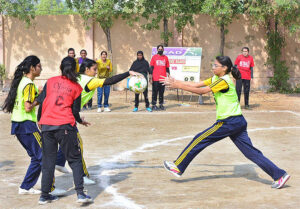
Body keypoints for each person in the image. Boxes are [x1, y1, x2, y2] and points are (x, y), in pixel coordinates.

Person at [160, 56, 290, 189]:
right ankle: (280, 175)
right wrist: (175, 81)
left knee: (199, 138)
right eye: (213, 64)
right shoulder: (216, 78)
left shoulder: (224, 80)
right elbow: (197, 84)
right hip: (237, 121)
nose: (213, 67)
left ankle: (178, 166)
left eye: (216, 65)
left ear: (224, 68)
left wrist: (178, 86)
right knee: (251, 153)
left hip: (229, 121)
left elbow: (202, 91)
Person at [2, 56, 66, 196]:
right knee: (45, 156)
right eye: (39, 66)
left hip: (19, 125)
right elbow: (28, 107)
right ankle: (50, 188)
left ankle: (25, 187)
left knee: (37, 158)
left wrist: (39, 93)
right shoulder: (29, 84)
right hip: (26, 125)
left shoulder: (23, 82)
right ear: (32, 68)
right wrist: (41, 98)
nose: (41, 68)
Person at [37, 57, 92, 204]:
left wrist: (39, 120)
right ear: (74, 69)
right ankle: (80, 194)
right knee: (75, 160)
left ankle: (44, 195)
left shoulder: (50, 81)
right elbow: (74, 112)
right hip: (65, 125)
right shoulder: (76, 87)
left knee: (48, 161)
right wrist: (80, 121)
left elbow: (42, 102)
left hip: (47, 125)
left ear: (60, 67)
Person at [150, 45, 170, 111]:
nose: (160, 50)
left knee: (162, 92)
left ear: (163, 50)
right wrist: (150, 78)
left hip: (163, 78)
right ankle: (154, 105)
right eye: (159, 49)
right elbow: (151, 68)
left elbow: (167, 68)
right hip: (155, 78)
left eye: (161, 49)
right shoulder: (154, 57)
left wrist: (168, 76)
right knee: (155, 92)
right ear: (157, 50)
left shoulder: (166, 57)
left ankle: (161, 104)